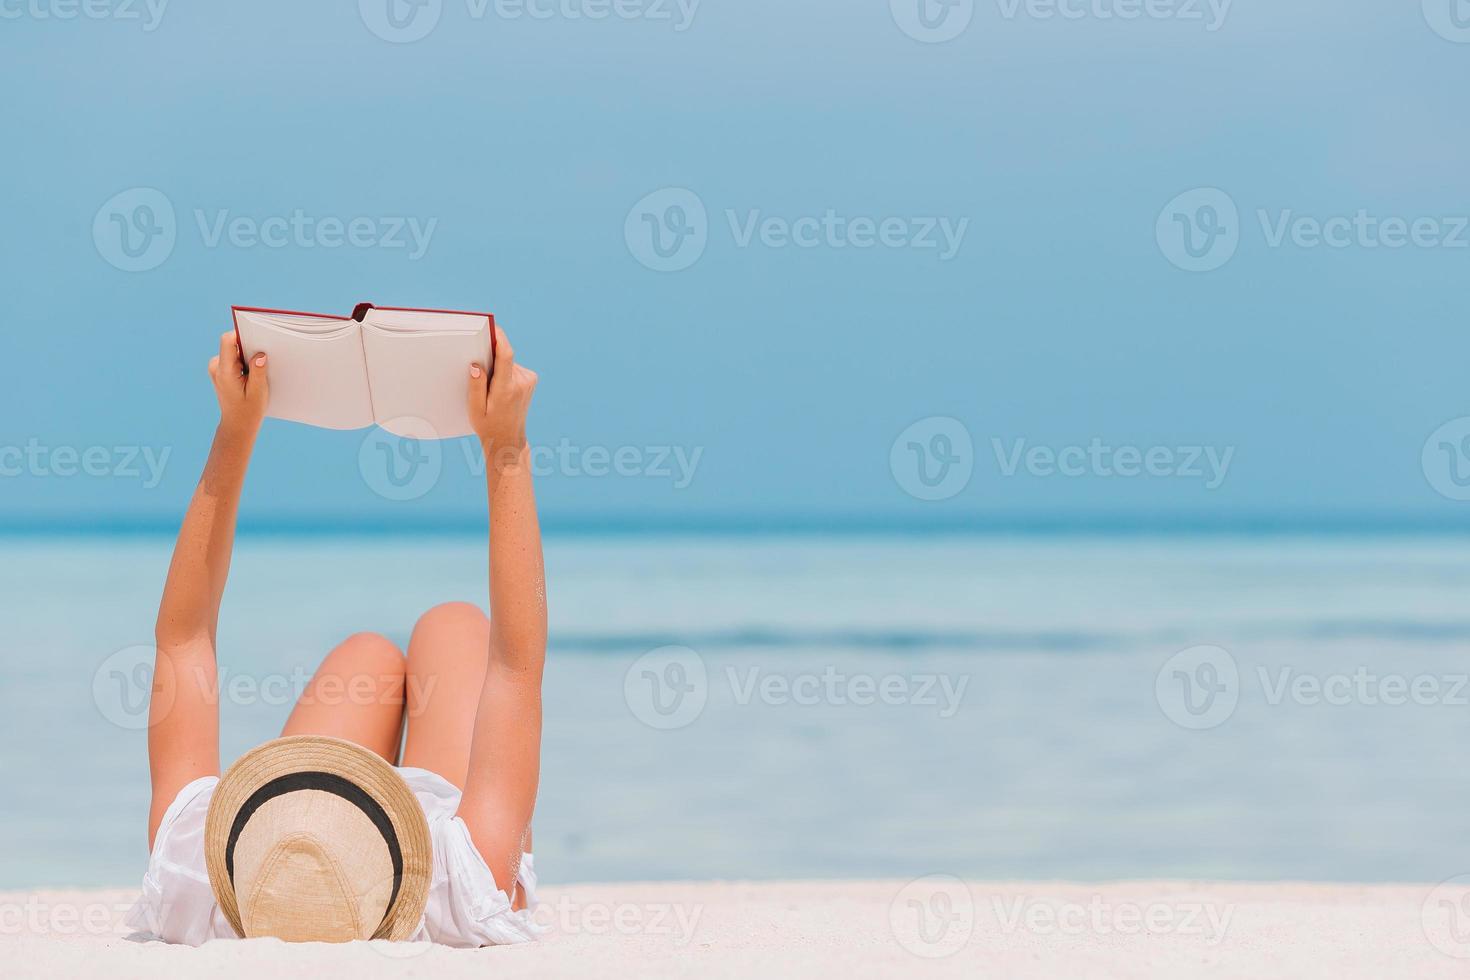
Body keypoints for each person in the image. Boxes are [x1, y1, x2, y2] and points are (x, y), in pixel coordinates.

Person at [126, 327, 546, 946]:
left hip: (307, 823)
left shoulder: (197, 880)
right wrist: (505, 449)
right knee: (454, 626)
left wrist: (235, 432)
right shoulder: (464, 890)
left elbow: (184, 639)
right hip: (432, 828)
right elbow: (515, 665)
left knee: (367, 657)